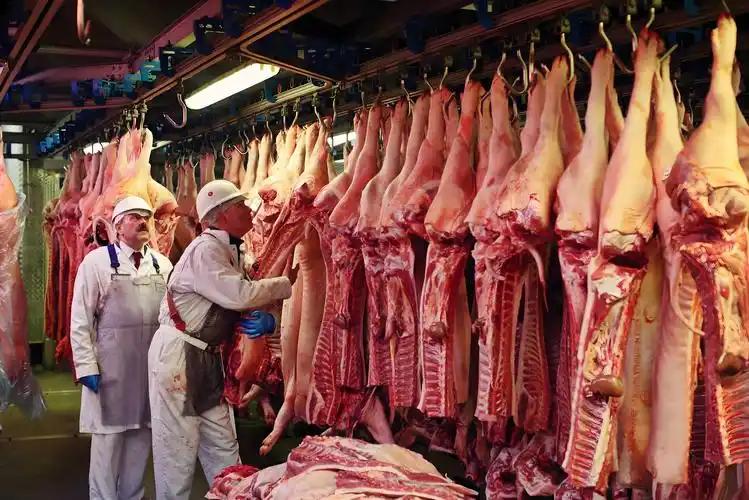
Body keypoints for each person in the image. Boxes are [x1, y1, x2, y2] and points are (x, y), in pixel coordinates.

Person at [148, 179, 292, 500]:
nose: (249, 209)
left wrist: (268, 320)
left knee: (224, 448)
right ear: (223, 214)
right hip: (180, 356)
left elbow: (242, 298)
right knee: (177, 452)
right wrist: (287, 284)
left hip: (208, 357)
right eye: (241, 205)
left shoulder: (232, 250)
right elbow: (239, 295)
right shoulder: (206, 250)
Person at [70, 195, 173, 500]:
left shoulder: (163, 264)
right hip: (110, 372)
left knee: (141, 440)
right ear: (117, 227)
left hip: (149, 371)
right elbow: (81, 319)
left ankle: (132, 497)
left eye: (146, 217)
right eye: (134, 217)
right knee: (108, 444)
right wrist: (86, 367)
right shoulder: (96, 263)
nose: (142, 222)